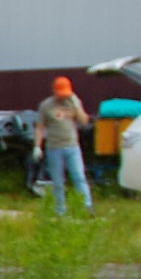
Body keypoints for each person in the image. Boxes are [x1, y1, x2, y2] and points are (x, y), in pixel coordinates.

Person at [34, 75, 91, 210]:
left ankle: (86, 207)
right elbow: (40, 127)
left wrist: (77, 107)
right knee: (58, 181)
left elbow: (84, 122)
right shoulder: (46, 105)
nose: (63, 97)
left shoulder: (73, 102)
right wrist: (37, 146)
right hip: (54, 147)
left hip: (72, 146)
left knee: (79, 177)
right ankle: (60, 210)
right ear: (54, 91)